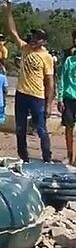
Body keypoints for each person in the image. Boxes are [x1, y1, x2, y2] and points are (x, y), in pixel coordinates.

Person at [4, 1, 55, 163]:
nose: (33, 39)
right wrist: (8, 12)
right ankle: (23, 157)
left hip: (37, 96)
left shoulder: (46, 57)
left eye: (37, 38)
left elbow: (50, 82)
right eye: (33, 36)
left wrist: (49, 104)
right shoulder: (25, 48)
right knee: (20, 128)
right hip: (21, 94)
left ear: (43, 42)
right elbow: (13, 32)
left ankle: (47, 157)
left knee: (40, 129)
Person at [58, 30, 76, 166]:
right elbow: (62, 79)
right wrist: (60, 98)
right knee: (69, 128)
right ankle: (70, 155)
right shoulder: (69, 60)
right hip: (69, 98)